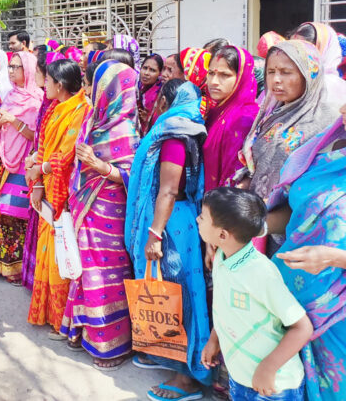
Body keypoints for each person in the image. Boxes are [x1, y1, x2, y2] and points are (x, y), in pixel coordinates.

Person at [125, 79, 212, 400]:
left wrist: (154, 234)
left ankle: (187, 377)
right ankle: (163, 353)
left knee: (178, 295)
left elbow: (169, 189)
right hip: (172, 220)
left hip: (172, 225)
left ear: (165, 100)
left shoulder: (176, 134)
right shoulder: (183, 127)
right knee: (164, 291)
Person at [199, 188, 313, 401]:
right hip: (242, 378)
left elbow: (302, 327)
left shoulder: (261, 273)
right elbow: (224, 306)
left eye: (203, 217)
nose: (198, 219)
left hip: (274, 386)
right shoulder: (222, 257)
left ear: (222, 234)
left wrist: (268, 369)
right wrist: (214, 339)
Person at [61, 60, 139, 368]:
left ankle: (113, 344)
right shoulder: (94, 117)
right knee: (84, 269)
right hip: (85, 205)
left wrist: (99, 165)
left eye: (99, 85)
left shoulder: (126, 127)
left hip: (110, 209)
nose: (93, 90)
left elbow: (135, 176)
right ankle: (83, 330)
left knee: (104, 275)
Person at [265, 106, 346, 401]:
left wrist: (333, 258)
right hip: (293, 299)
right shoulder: (327, 148)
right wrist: (254, 226)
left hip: (338, 312)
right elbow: (299, 208)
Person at [25, 59, 87, 336]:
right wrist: (36, 176)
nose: (44, 86)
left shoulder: (79, 110)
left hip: (65, 191)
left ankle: (64, 318)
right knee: (49, 252)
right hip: (48, 187)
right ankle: (51, 314)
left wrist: (40, 169)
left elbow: (65, 156)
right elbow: (45, 148)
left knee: (64, 253)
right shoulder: (54, 108)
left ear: (59, 85)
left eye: (48, 81)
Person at [238, 40, 338, 202]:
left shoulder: (328, 121)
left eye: (285, 72)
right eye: (271, 71)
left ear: (308, 75)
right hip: (256, 215)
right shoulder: (270, 114)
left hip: (296, 218)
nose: (276, 80)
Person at [0, 51, 43, 282]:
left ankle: (19, 266)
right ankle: (4, 263)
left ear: (28, 70)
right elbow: (3, 125)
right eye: (9, 66)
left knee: (17, 213)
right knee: (0, 212)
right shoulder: (10, 96)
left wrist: (12, 120)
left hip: (22, 162)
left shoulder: (36, 99)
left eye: (16, 67)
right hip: (4, 158)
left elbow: (35, 135)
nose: (11, 71)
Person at [204, 46, 259, 191]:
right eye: (211, 73)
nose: (214, 81)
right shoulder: (213, 110)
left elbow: (235, 177)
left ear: (242, 77)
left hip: (223, 206)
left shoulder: (244, 118)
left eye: (225, 75)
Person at [22, 49, 51, 290]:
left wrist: (39, 176)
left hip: (48, 175)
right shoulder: (46, 101)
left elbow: (56, 149)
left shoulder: (58, 106)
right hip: (38, 167)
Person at [290, 22, 346, 109]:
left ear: (322, 51)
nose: (292, 57)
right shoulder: (284, 81)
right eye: (291, 49)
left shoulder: (335, 90)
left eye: (301, 51)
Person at [138, 53, 164, 135]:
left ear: (160, 73)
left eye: (152, 70)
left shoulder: (161, 93)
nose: (146, 73)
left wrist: (148, 118)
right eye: (145, 68)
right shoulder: (138, 86)